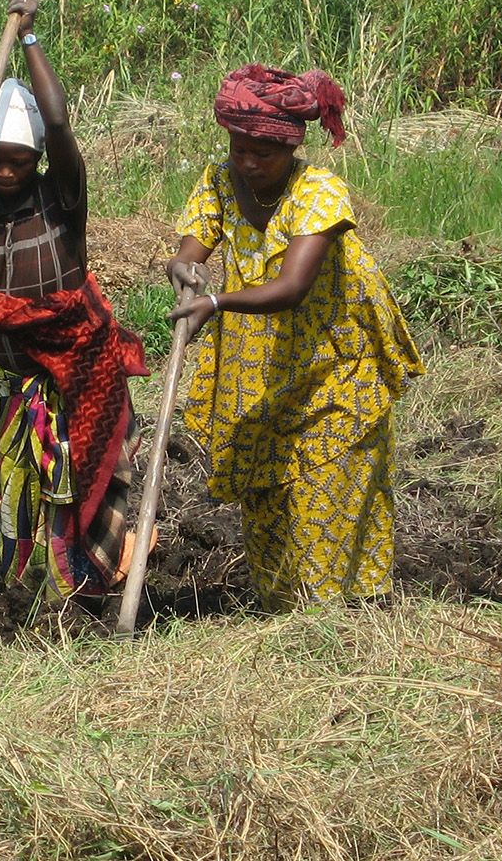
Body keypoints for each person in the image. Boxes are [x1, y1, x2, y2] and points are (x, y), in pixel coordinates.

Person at [166, 65, 423, 610]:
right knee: (268, 487)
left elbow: (291, 287)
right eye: (241, 149)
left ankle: (343, 617)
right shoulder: (217, 182)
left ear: (292, 148)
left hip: (337, 358)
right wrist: (186, 273)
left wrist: (216, 302)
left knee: (330, 482)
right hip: (260, 364)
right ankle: (285, 613)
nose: (251, 162)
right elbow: (190, 251)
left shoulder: (319, 192)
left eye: (265, 152)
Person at [0, 0, 149, 602]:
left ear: (34, 160)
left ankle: (86, 580)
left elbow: (57, 123)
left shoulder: (59, 200)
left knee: (80, 479)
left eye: (17, 162)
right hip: (14, 383)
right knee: (23, 486)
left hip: (74, 375)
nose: (6, 172)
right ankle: (29, 581)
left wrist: (30, 37)